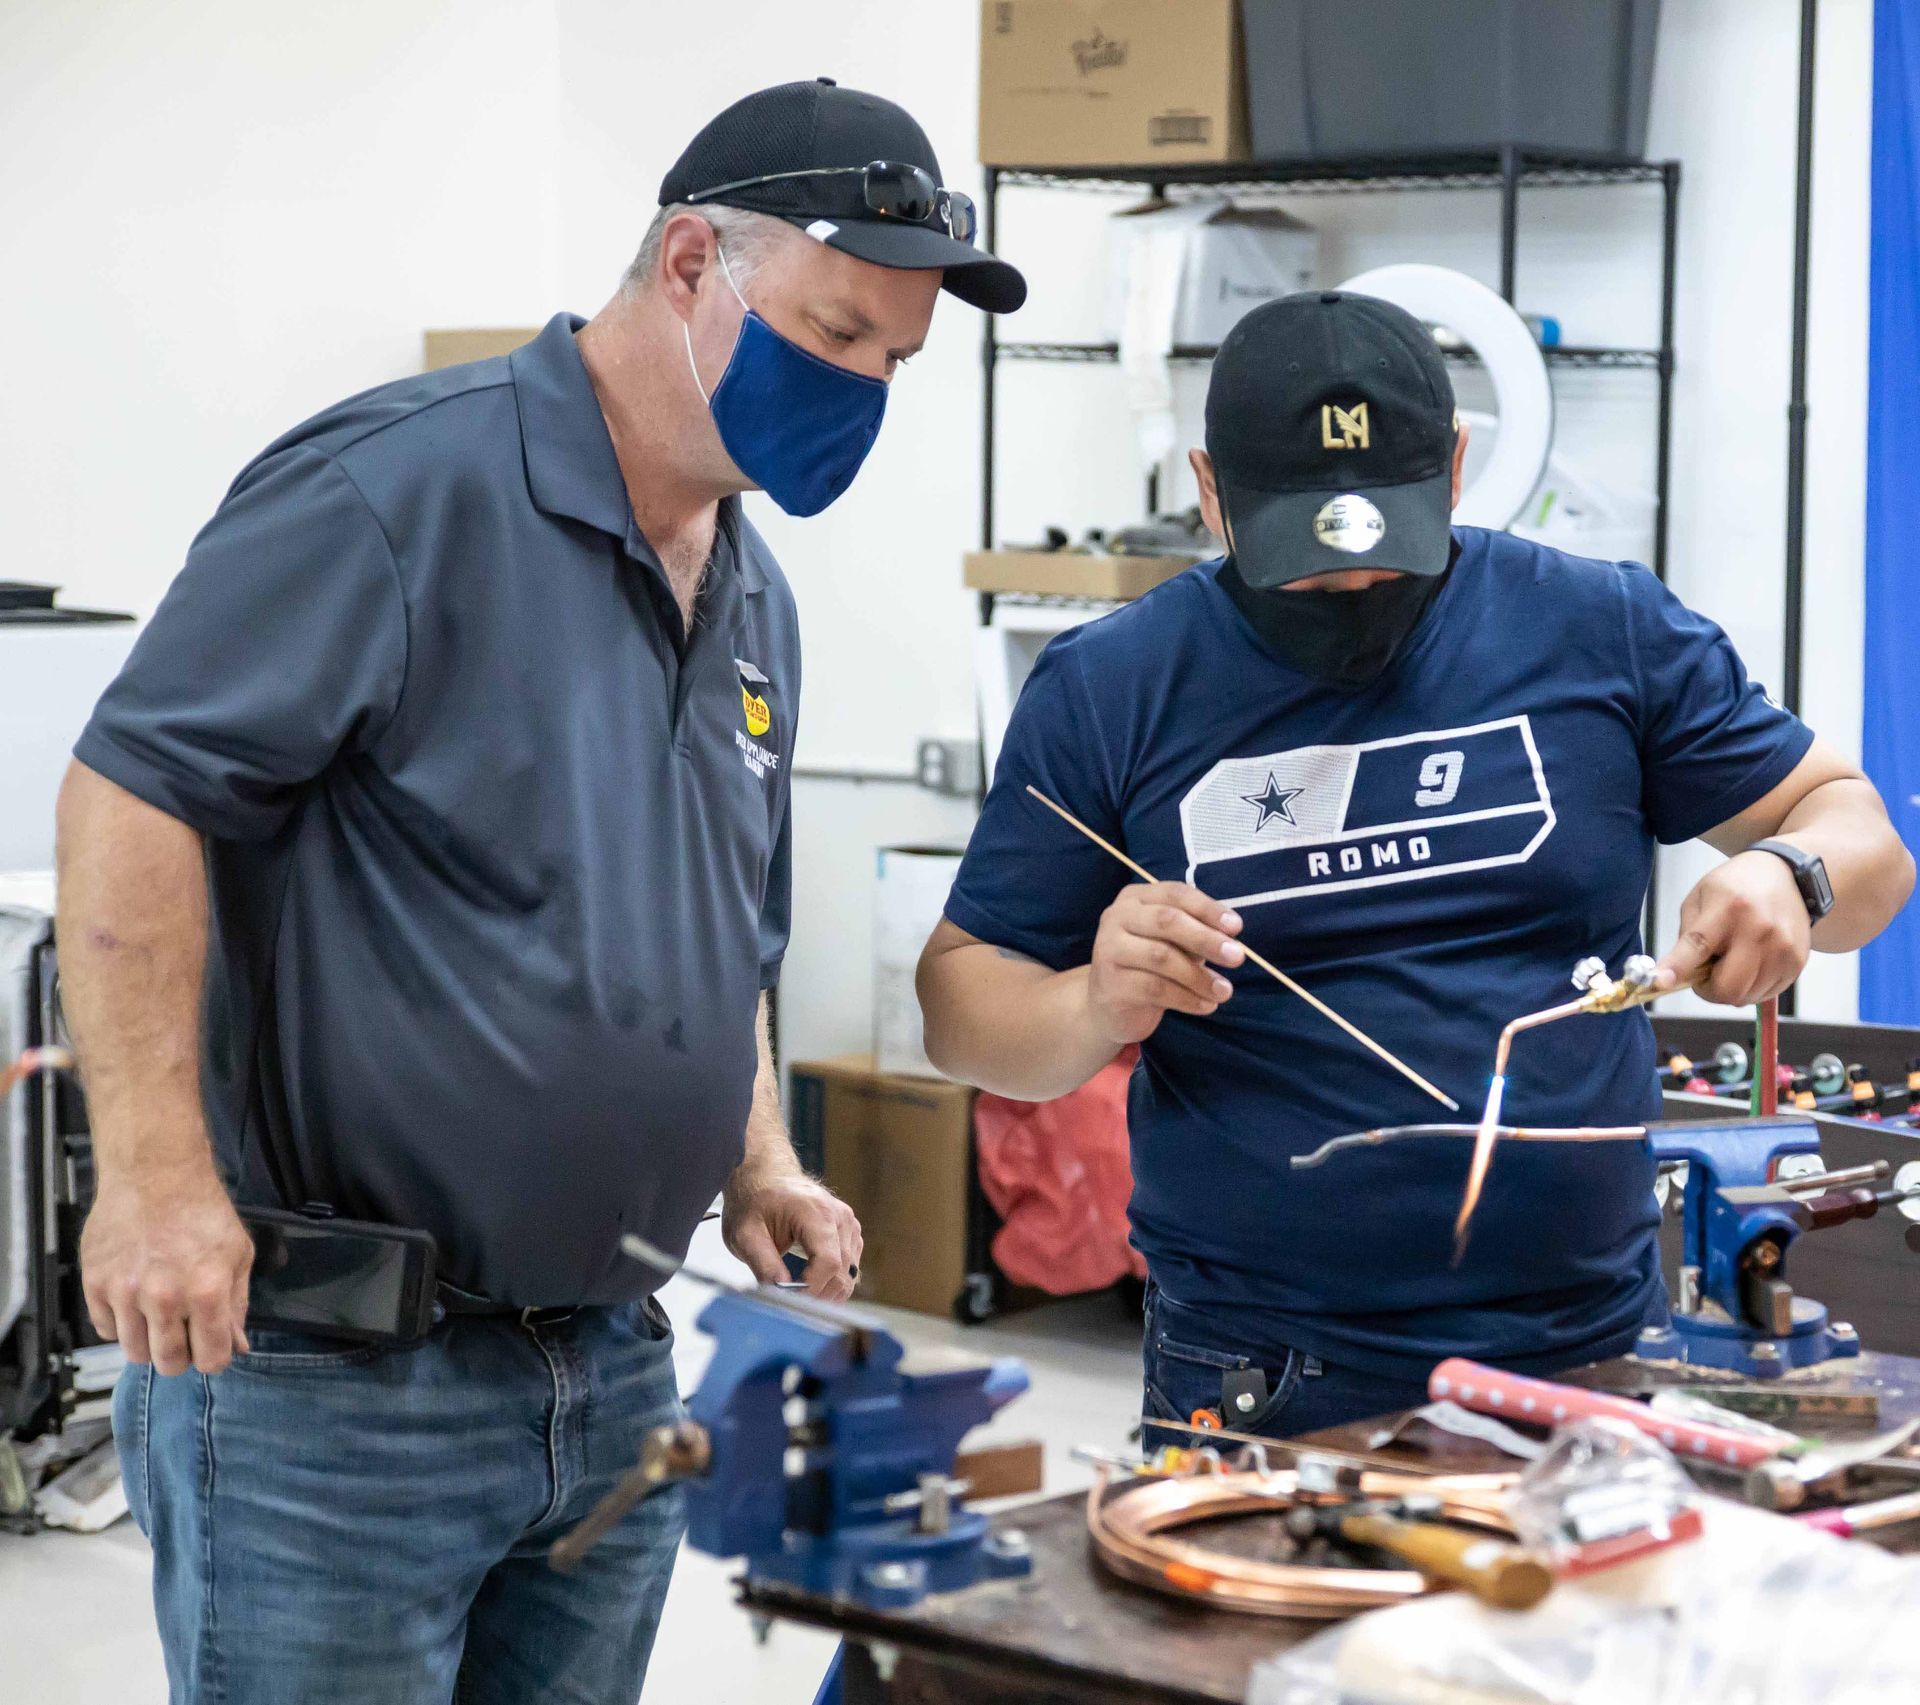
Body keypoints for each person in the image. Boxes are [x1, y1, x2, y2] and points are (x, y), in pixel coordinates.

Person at [59, 77, 1025, 1704]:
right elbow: (138, 789)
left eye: (896, 366)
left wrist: (761, 1154)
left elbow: (722, 928)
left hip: (611, 1374)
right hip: (338, 1394)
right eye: (839, 332)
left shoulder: (753, 598)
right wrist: (153, 1183)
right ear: (688, 260)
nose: (862, 387)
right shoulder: (400, 493)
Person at [918, 291, 1912, 1440]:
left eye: (1384, 557)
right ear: (1209, 490)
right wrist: (1094, 997)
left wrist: (1797, 873)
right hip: (1261, 1364)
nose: (1348, 592)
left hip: (1590, 1339)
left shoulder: (1599, 630)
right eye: (1302, 558)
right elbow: (960, 1008)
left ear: (1452, 469)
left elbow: (1864, 835)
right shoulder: (1114, 686)